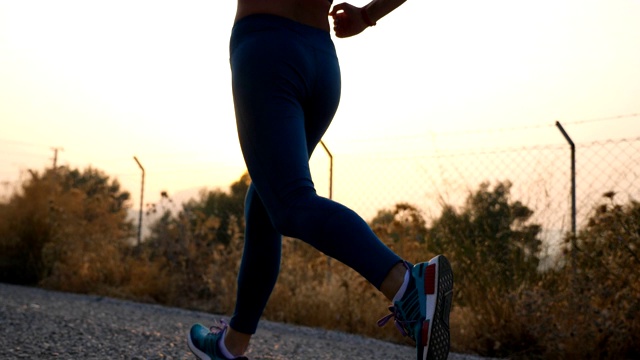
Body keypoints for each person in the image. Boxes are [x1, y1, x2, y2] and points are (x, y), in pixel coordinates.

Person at [188, 0, 454, 359]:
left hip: (267, 52)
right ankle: (231, 345)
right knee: (266, 200)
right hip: (320, 60)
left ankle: (406, 285)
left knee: (290, 202)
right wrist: (366, 15)